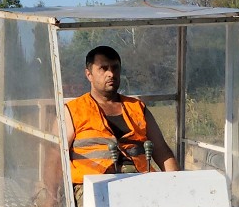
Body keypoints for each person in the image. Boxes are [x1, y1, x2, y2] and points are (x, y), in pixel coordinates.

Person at [66, 45, 180, 185]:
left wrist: (177, 185)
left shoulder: (138, 108)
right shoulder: (73, 110)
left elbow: (162, 151)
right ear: (89, 74)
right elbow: (55, 157)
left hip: (140, 182)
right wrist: (49, 202)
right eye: (103, 68)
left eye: (115, 68)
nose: (111, 74)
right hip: (92, 187)